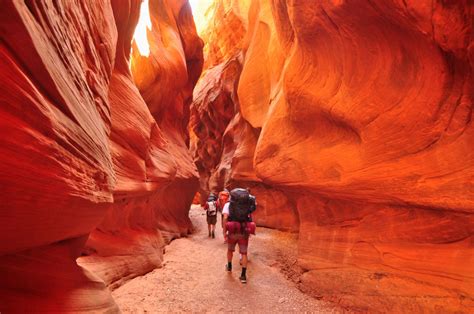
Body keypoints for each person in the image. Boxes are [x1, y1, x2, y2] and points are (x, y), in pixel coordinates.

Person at [222, 188, 256, 284]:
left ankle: (229, 266)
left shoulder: (228, 205)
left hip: (232, 231)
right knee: (244, 253)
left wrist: (224, 231)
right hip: (244, 231)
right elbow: (250, 215)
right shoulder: (247, 205)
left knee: (230, 250)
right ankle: (243, 275)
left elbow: (225, 218)